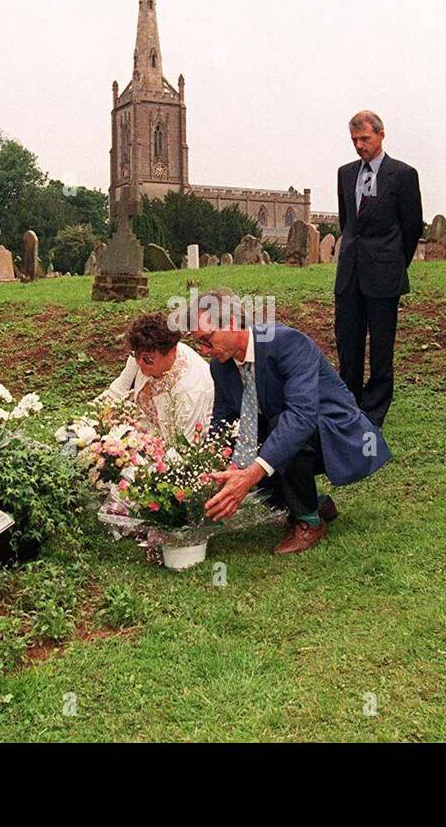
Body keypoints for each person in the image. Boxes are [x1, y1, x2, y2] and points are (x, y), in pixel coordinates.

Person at [191, 288, 392, 555]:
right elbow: (224, 420)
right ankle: (315, 503)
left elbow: (301, 416)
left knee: (279, 431)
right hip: (290, 430)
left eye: (207, 340)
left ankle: (309, 521)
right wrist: (212, 469)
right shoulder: (221, 366)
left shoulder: (286, 342)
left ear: (229, 323)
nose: (204, 350)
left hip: (334, 433)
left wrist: (251, 473)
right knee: (250, 443)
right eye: (198, 344)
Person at [333, 110, 424, 427]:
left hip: (384, 273)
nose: (359, 146)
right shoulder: (345, 174)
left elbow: (412, 227)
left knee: (381, 349)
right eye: (354, 140)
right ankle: (348, 408)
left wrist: (394, 263)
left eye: (365, 139)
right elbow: (348, 223)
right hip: (350, 275)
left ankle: (374, 413)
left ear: (381, 135)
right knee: (349, 345)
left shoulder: (402, 174)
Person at [97, 312, 214, 443]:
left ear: (171, 352)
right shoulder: (143, 352)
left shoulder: (191, 390)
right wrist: (93, 422)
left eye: (148, 359)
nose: (140, 363)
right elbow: (117, 392)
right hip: (140, 436)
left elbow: (181, 448)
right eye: (136, 355)